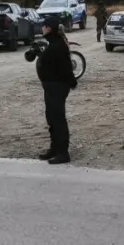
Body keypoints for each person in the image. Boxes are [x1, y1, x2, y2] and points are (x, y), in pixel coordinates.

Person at [36, 17, 77, 164]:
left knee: (58, 119)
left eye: (43, 26)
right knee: (51, 118)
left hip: (57, 86)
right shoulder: (53, 43)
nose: (42, 29)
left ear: (48, 28)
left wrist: (72, 82)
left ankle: (63, 153)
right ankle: (54, 148)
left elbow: (65, 68)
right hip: (51, 86)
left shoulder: (57, 45)